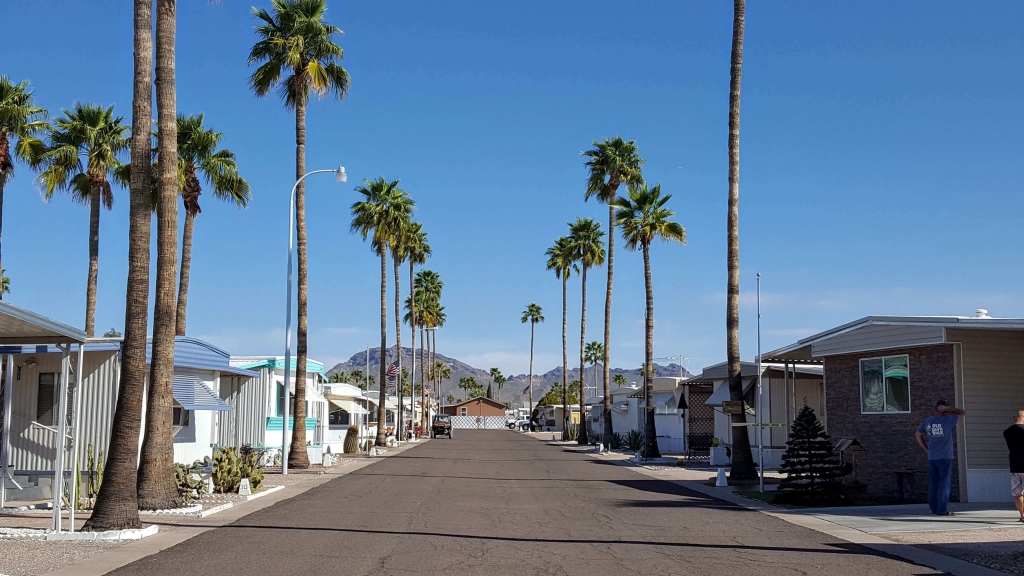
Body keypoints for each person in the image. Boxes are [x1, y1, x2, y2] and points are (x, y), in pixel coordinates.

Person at [915, 400, 965, 516]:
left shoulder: (928, 421)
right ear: (943, 409)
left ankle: (934, 508)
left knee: (934, 483)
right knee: (944, 484)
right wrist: (948, 409)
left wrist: (925, 449)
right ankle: (942, 509)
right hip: (945, 457)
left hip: (932, 457)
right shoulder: (948, 420)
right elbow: (962, 413)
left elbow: (917, 434)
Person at [1002, 411, 1024, 523]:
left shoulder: (1007, 432)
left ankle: (1022, 515)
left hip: (1015, 466)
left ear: (1015, 417)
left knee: (1017, 493)